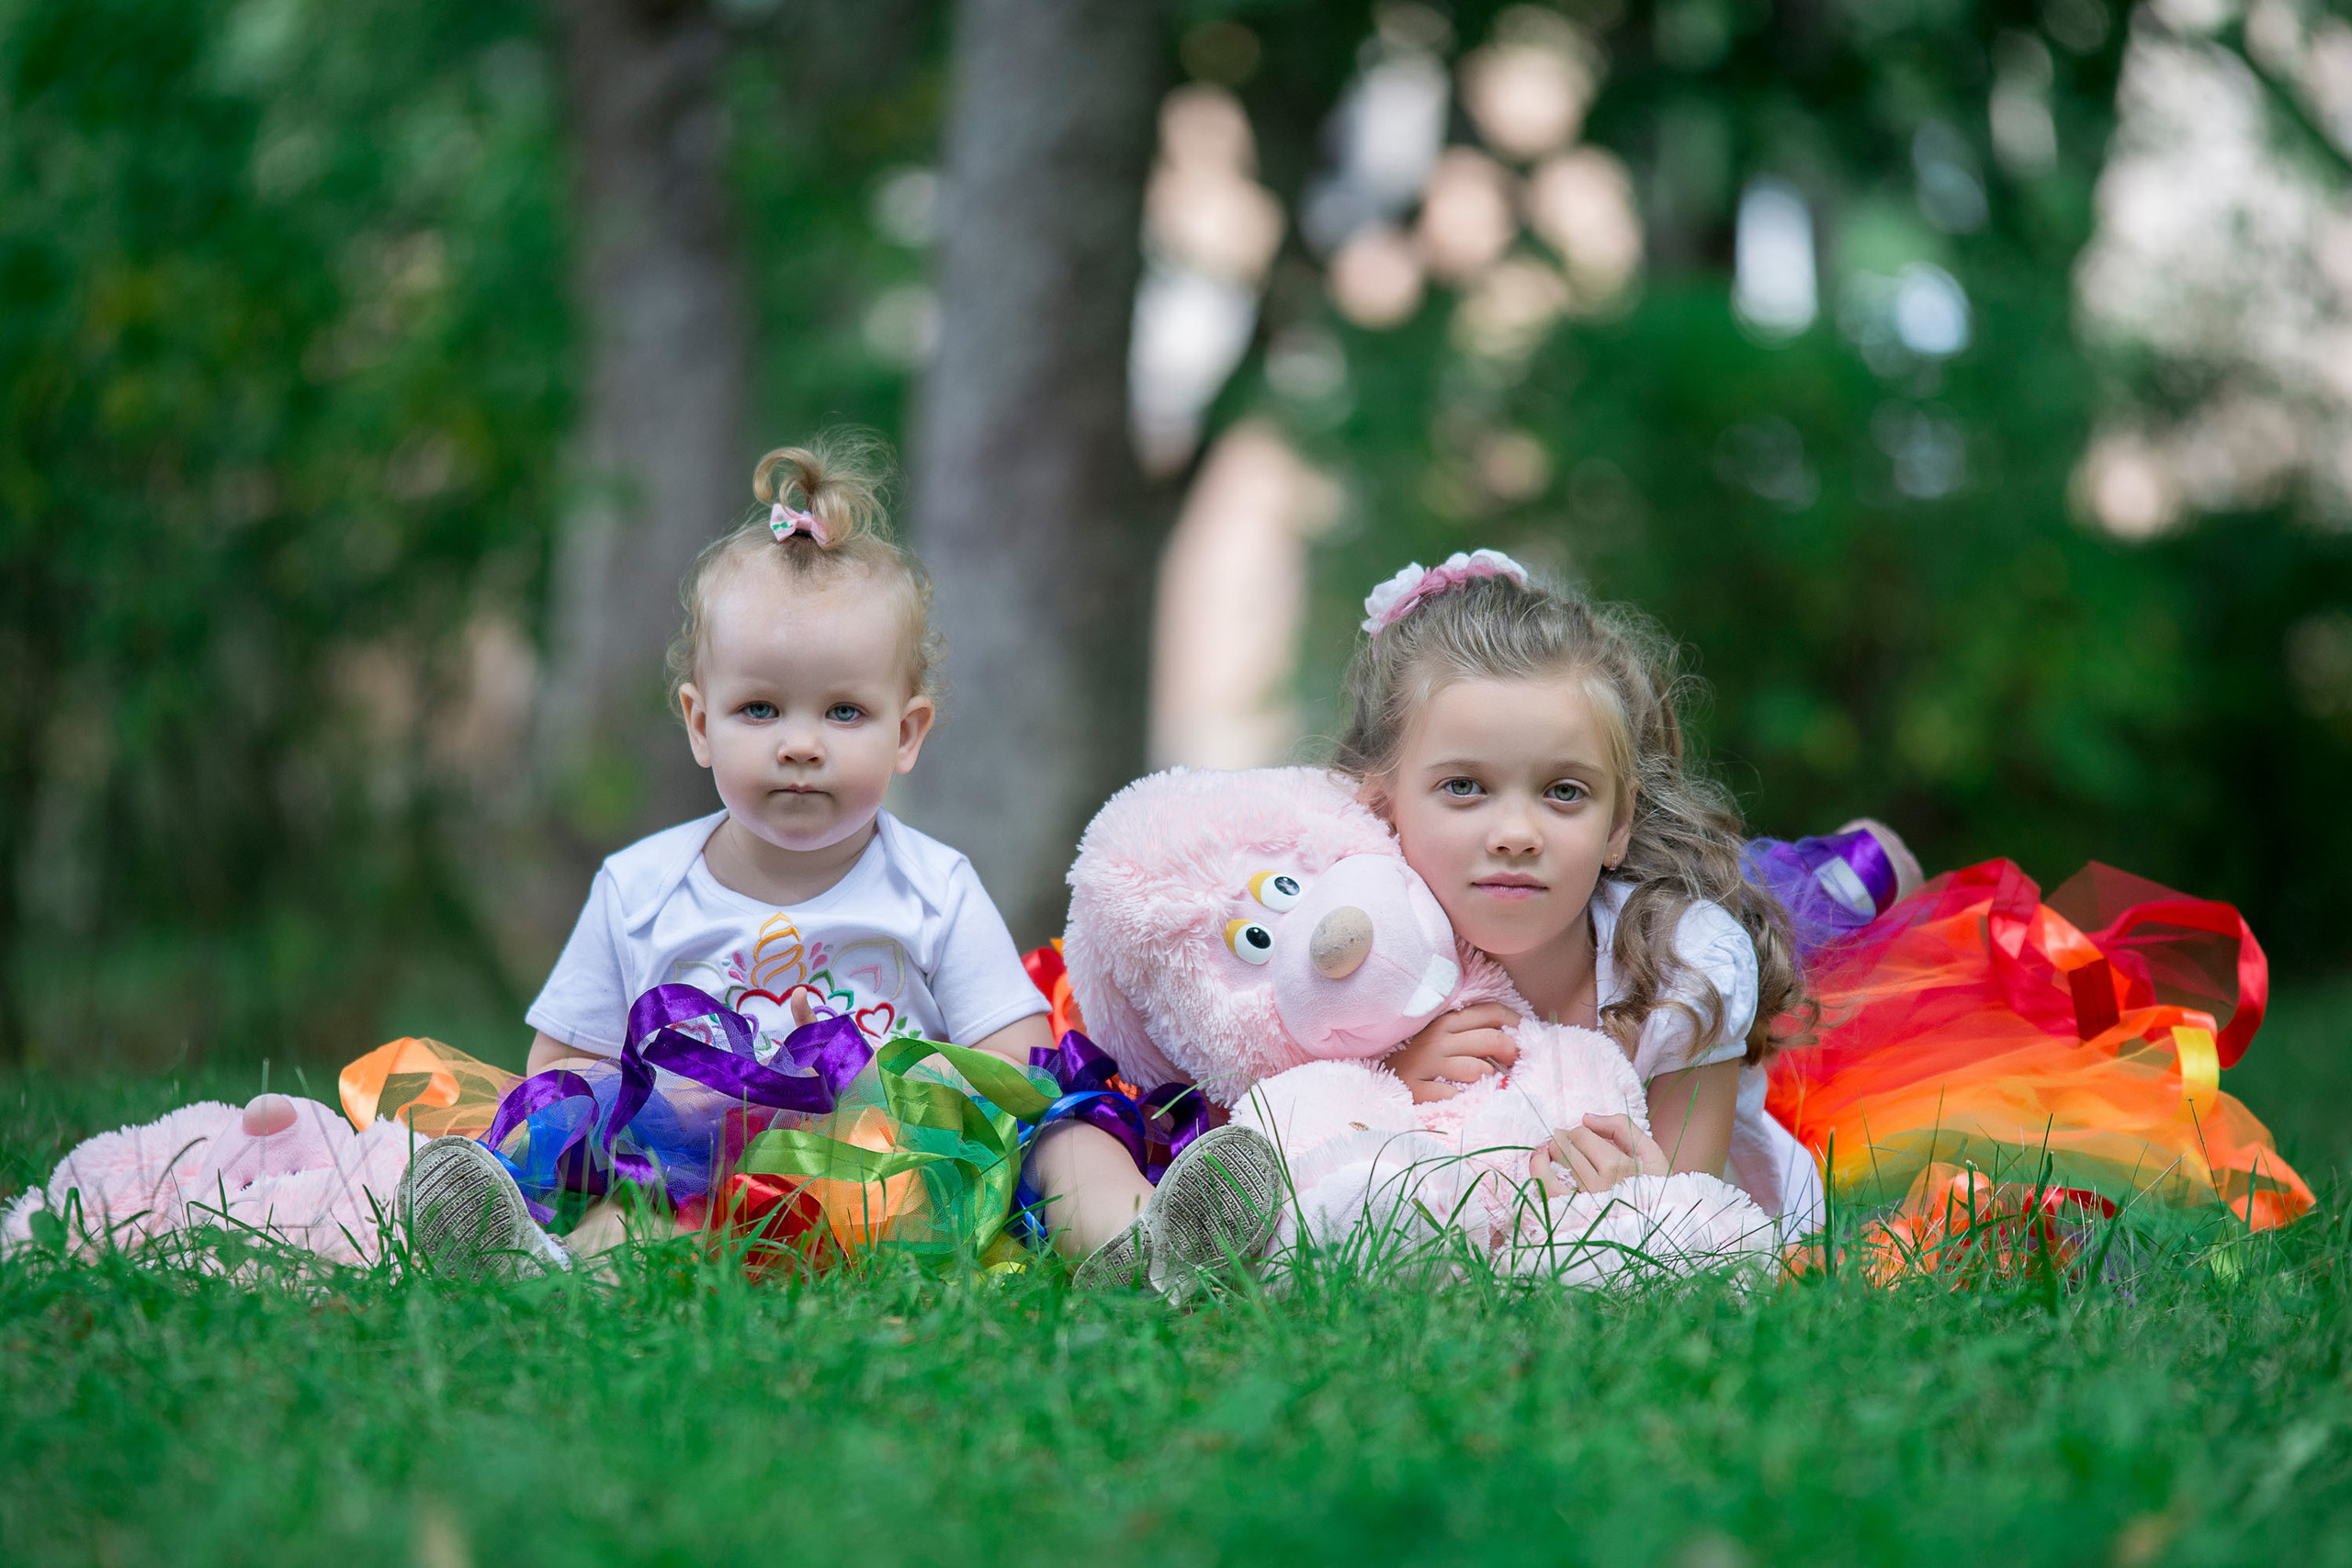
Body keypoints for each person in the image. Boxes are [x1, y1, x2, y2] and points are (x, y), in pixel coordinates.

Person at [397, 436, 1278, 1284]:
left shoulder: (933, 885)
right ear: (700, 723)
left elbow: (1018, 1065)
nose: (801, 745)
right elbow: (556, 1075)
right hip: (706, 1184)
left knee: (1069, 1130)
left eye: (845, 713)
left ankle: (1140, 1241)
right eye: (760, 710)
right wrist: (669, 1108)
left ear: (909, 732)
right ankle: (531, 1262)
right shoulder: (639, 886)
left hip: (898, 1192)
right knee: (632, 1205)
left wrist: (925, 1079)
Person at [1336, 550, 1844, 1231]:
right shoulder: (1349, 948)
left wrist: (1631, 1195)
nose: (1515, 833)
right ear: (1382, 805)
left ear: (1619, 823)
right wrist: (1388, 1076)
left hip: (1720, 1225)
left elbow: (1690, 1220)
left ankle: (1865, 869)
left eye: (1563, 791)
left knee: (1831, 886)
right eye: (1464, 786)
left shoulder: (1682, 971)